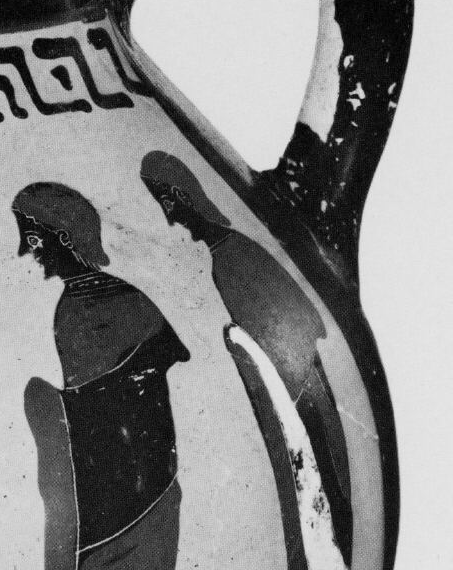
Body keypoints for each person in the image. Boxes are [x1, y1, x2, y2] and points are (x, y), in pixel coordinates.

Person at [141, 151, 353, 568]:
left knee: (323, 484)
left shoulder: (233, 255)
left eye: (168, 202)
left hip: (299, 393)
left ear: (186, 195)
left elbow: (300, 328)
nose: (170, 218)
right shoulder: (226, 256)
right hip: (293, 392)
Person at [13, 182, 190, 570]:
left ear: (63, 238)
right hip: (135, 491)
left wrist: (47, 406)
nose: (27, 251)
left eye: (33, 239)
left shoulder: (89, 307)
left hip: (134, 499)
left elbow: (103, 409)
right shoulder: (94, 301)